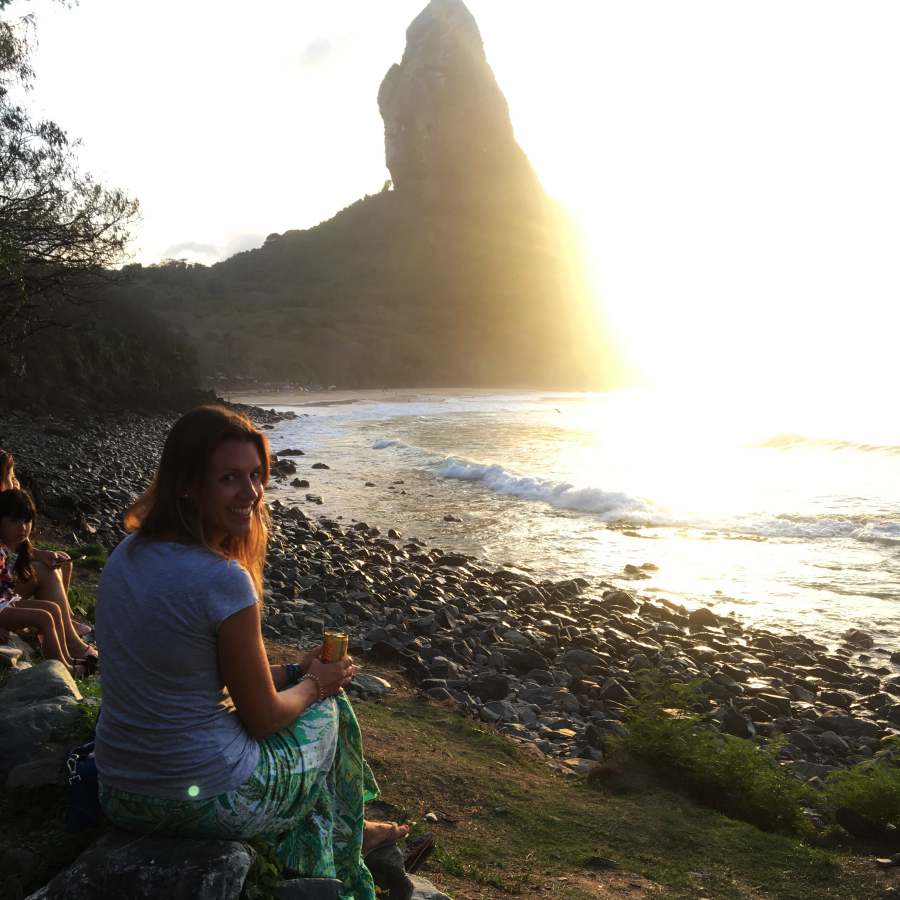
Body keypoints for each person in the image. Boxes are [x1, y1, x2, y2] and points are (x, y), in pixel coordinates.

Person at [94, 406, 405, 897]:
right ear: (187, 484)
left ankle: (342, 832)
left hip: (120, 789)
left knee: (313, 697)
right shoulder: (221, 579)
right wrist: (316, 684)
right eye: (229, 478)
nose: (252, 492)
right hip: (202, 798)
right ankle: (347, 846)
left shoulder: (126, 554)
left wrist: (293, 669)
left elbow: (198, 676)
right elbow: (262, 718)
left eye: (257, 475)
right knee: (331, 710)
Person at [0, 489, 95, 674]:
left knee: (53, 609)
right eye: (15, 520)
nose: (23, 527)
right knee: (44, 617)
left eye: (27, 521)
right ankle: (64, 668)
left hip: (5, 601)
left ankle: (68, 657)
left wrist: (41, 554)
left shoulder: (11, 545)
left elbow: (25, 554)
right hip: (2, 606)